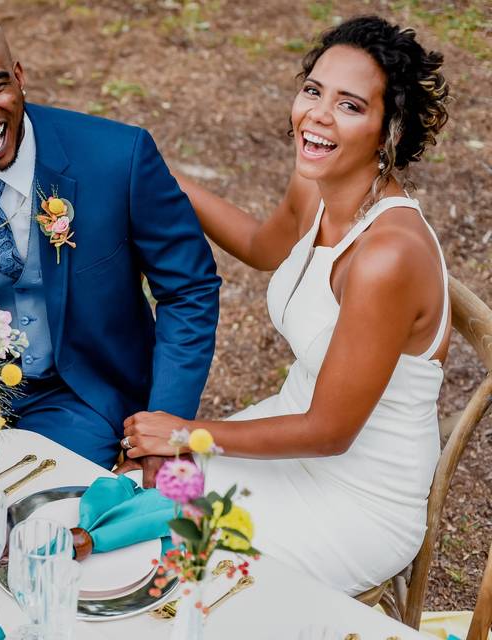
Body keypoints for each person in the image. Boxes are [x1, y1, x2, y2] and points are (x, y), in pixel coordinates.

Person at [121, 15, 451, 594]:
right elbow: (260, 245)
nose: (317, 116)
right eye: (313, 90)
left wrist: (188, 433)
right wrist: (157, 176)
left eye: (349, 105)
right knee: (131, 489)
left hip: (355, 496)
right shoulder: (317, 186)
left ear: (389, 129)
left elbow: (329, 432)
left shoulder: (386, 257)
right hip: (285, 437)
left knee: (176, 553)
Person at [0, 10, 220, 471]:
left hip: (85, 398)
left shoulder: (118, 158)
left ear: (18, 77)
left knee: (33, 511)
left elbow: (189, 289)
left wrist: (164, 428)